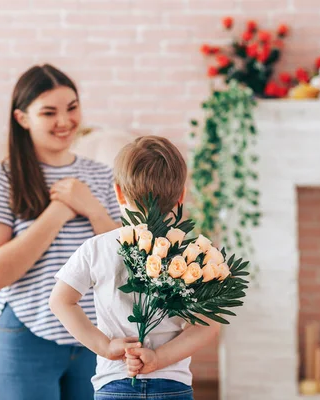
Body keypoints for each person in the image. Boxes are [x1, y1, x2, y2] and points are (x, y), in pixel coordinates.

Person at [0, 64, 121, 400]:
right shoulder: (4, 180)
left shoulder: (103, 177)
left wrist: (93, 209)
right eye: (49, 112)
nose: (64, 121)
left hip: (95, 336)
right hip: (26, 333)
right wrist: (57, 211)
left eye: (72, 108)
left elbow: (129, 262)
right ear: (22, 118)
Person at [49, 136, 220, 400]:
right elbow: (208, 325)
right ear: (182, 196)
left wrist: (105, 347)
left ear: (118, 192)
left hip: (114, 382)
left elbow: (60, 301)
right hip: (172, 384)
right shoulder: (194, 254)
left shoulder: (96, 248)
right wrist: (157, 358)